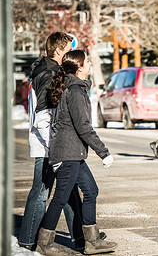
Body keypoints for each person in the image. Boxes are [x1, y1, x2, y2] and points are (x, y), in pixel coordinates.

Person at [36, 50, 117, 255]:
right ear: (80, 67)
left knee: (91, 191)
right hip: (68, 153)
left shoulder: (71, 87)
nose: (90, 64)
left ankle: (92, 241)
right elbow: (83, 127)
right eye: (88, 61)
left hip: (73, 153)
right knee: (60, 198)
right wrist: (103, 152)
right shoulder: (76, 91)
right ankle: (44, 243)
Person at [18, 32, 85, 250]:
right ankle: (28, 240)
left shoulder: (49, 70)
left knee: (69, 190)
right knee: (41, 191)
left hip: (56, 143)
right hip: (49, 144)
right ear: (58, 51)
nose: (71, 53)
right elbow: (44, 115)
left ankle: (81, 236)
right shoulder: (48, 73)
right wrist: (54, 147)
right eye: (68, 49)